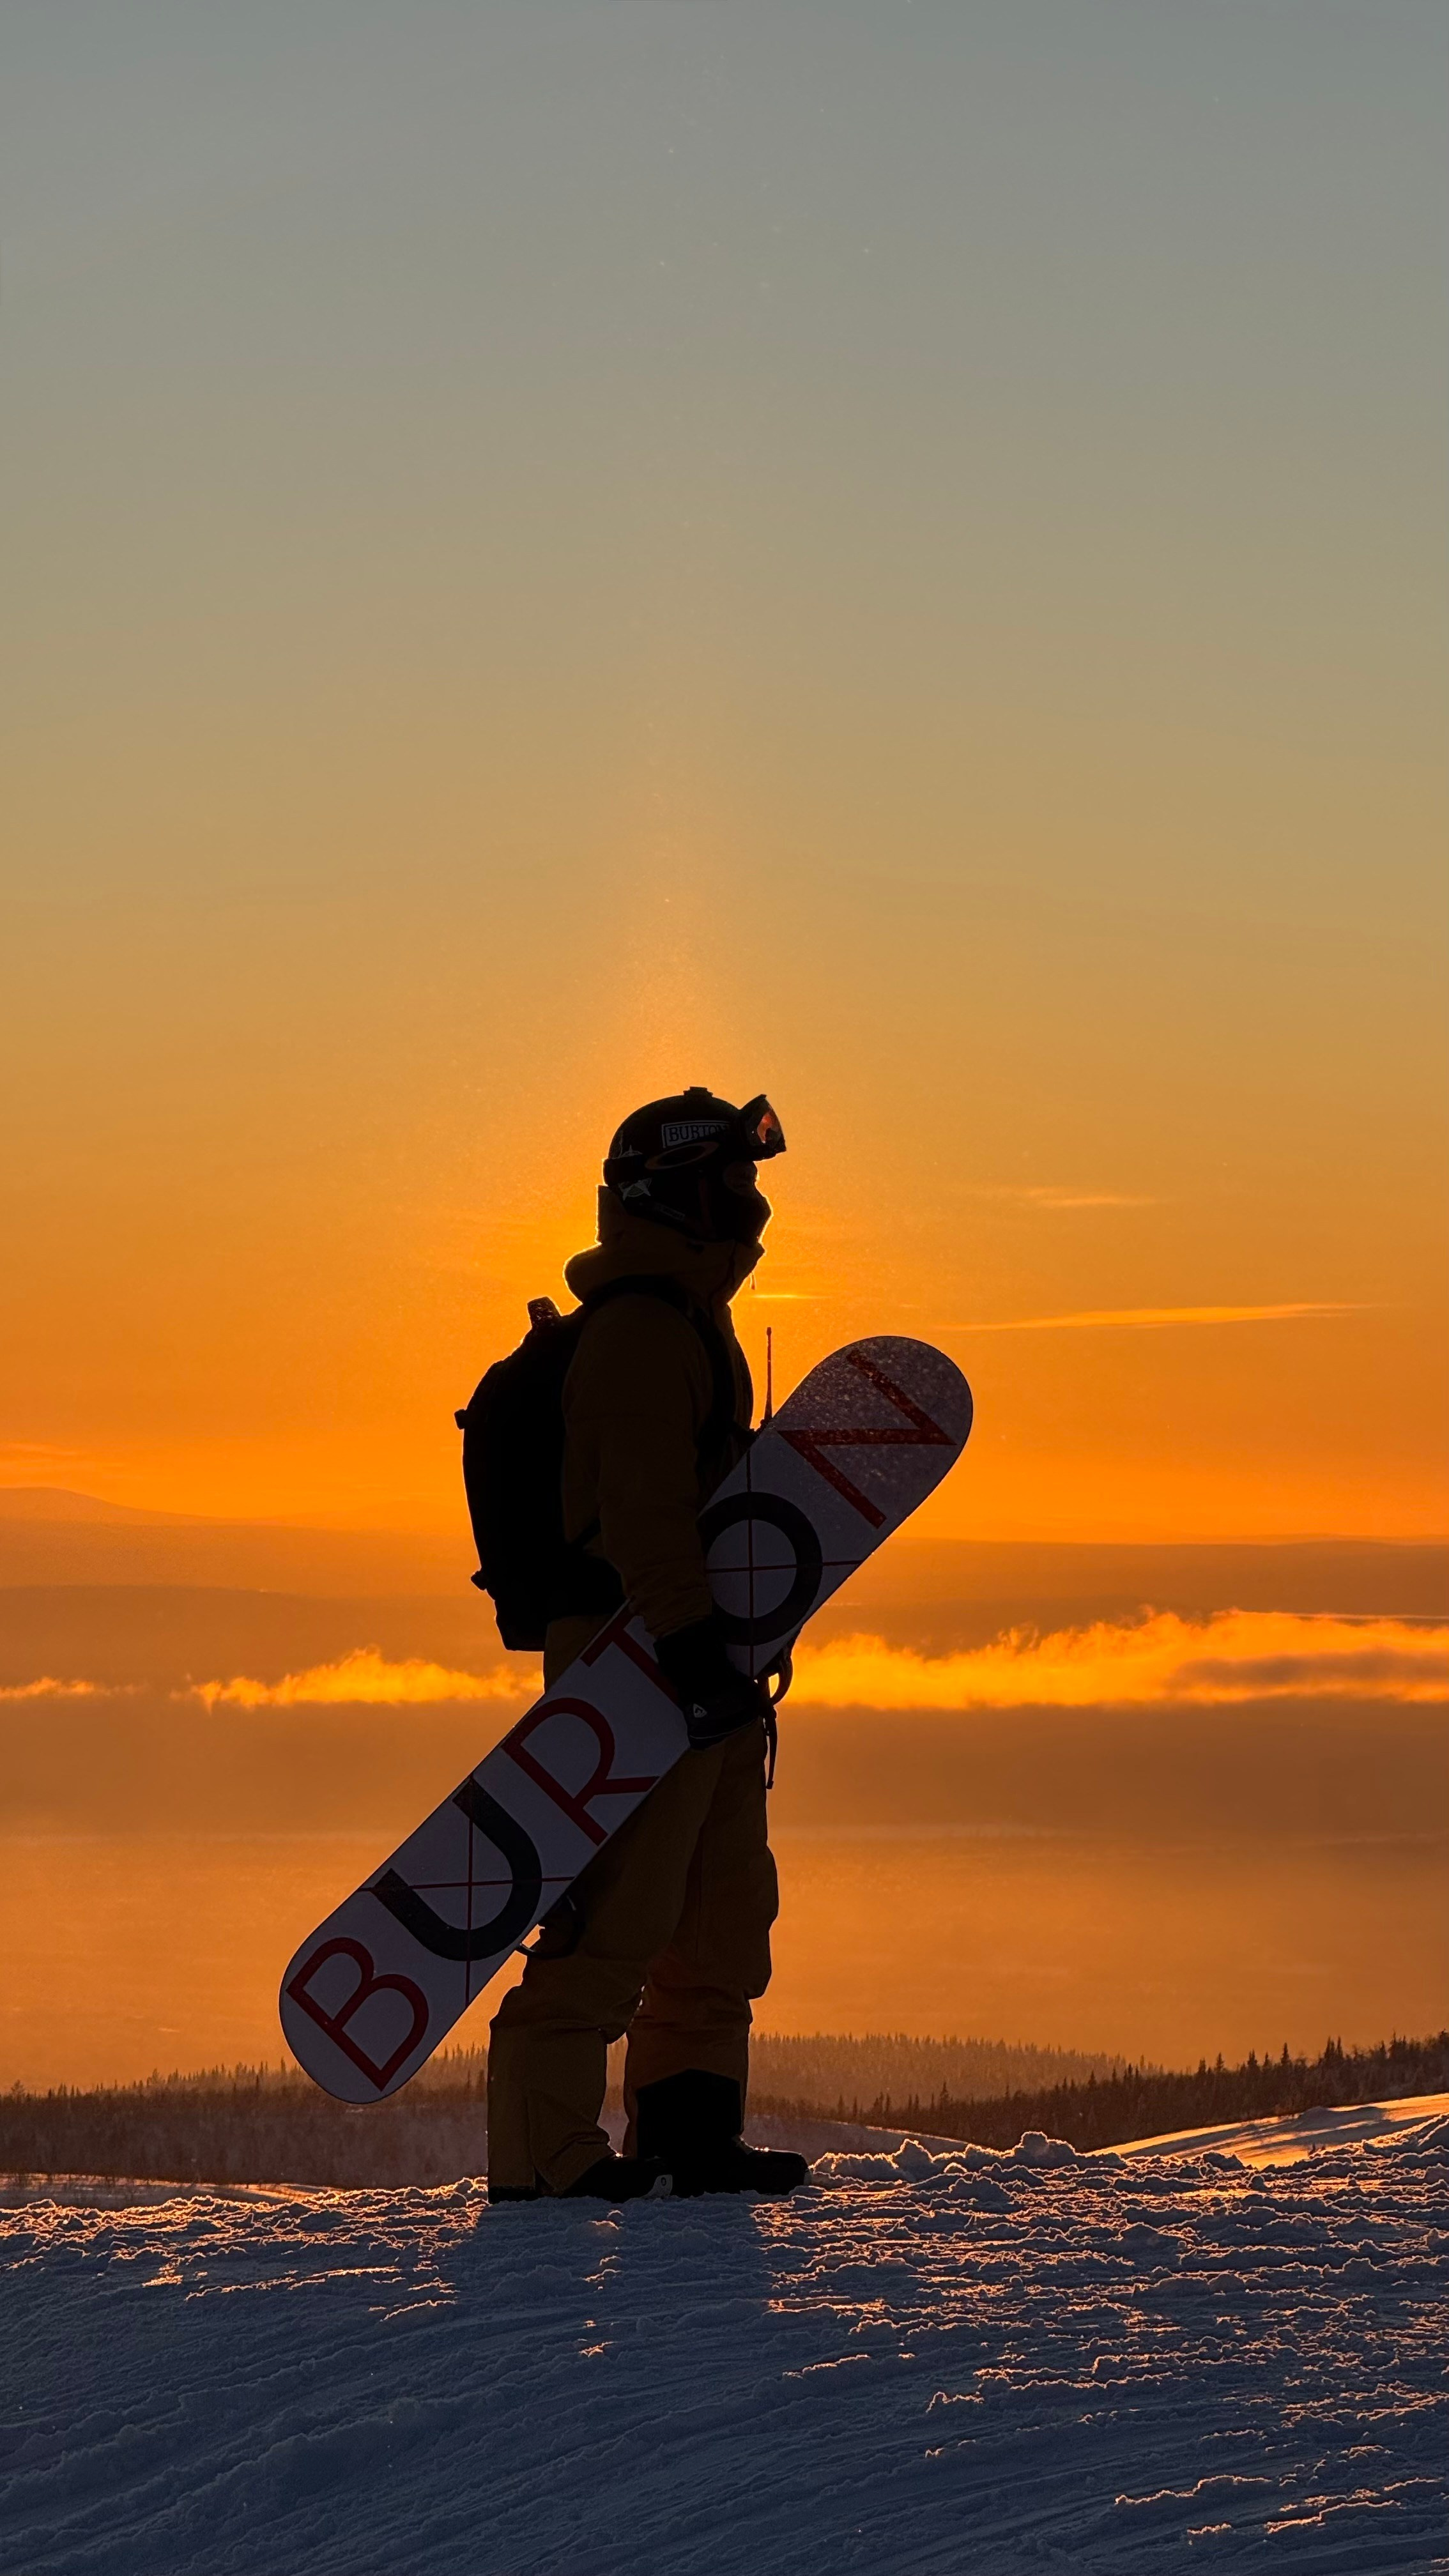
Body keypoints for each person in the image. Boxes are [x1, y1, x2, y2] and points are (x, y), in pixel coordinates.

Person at [486, 1088, 809, 2204]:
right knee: (618, 1911)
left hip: (693, 1650)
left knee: (720, 1913)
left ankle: (687, 2129)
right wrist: (687, 1646)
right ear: (673, 1195)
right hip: (636, 1651)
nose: (749, 1202)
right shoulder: (638, 1333)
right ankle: (544, 2153)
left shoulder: (690, 1320)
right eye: (729, 1182)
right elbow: (642, 1512)